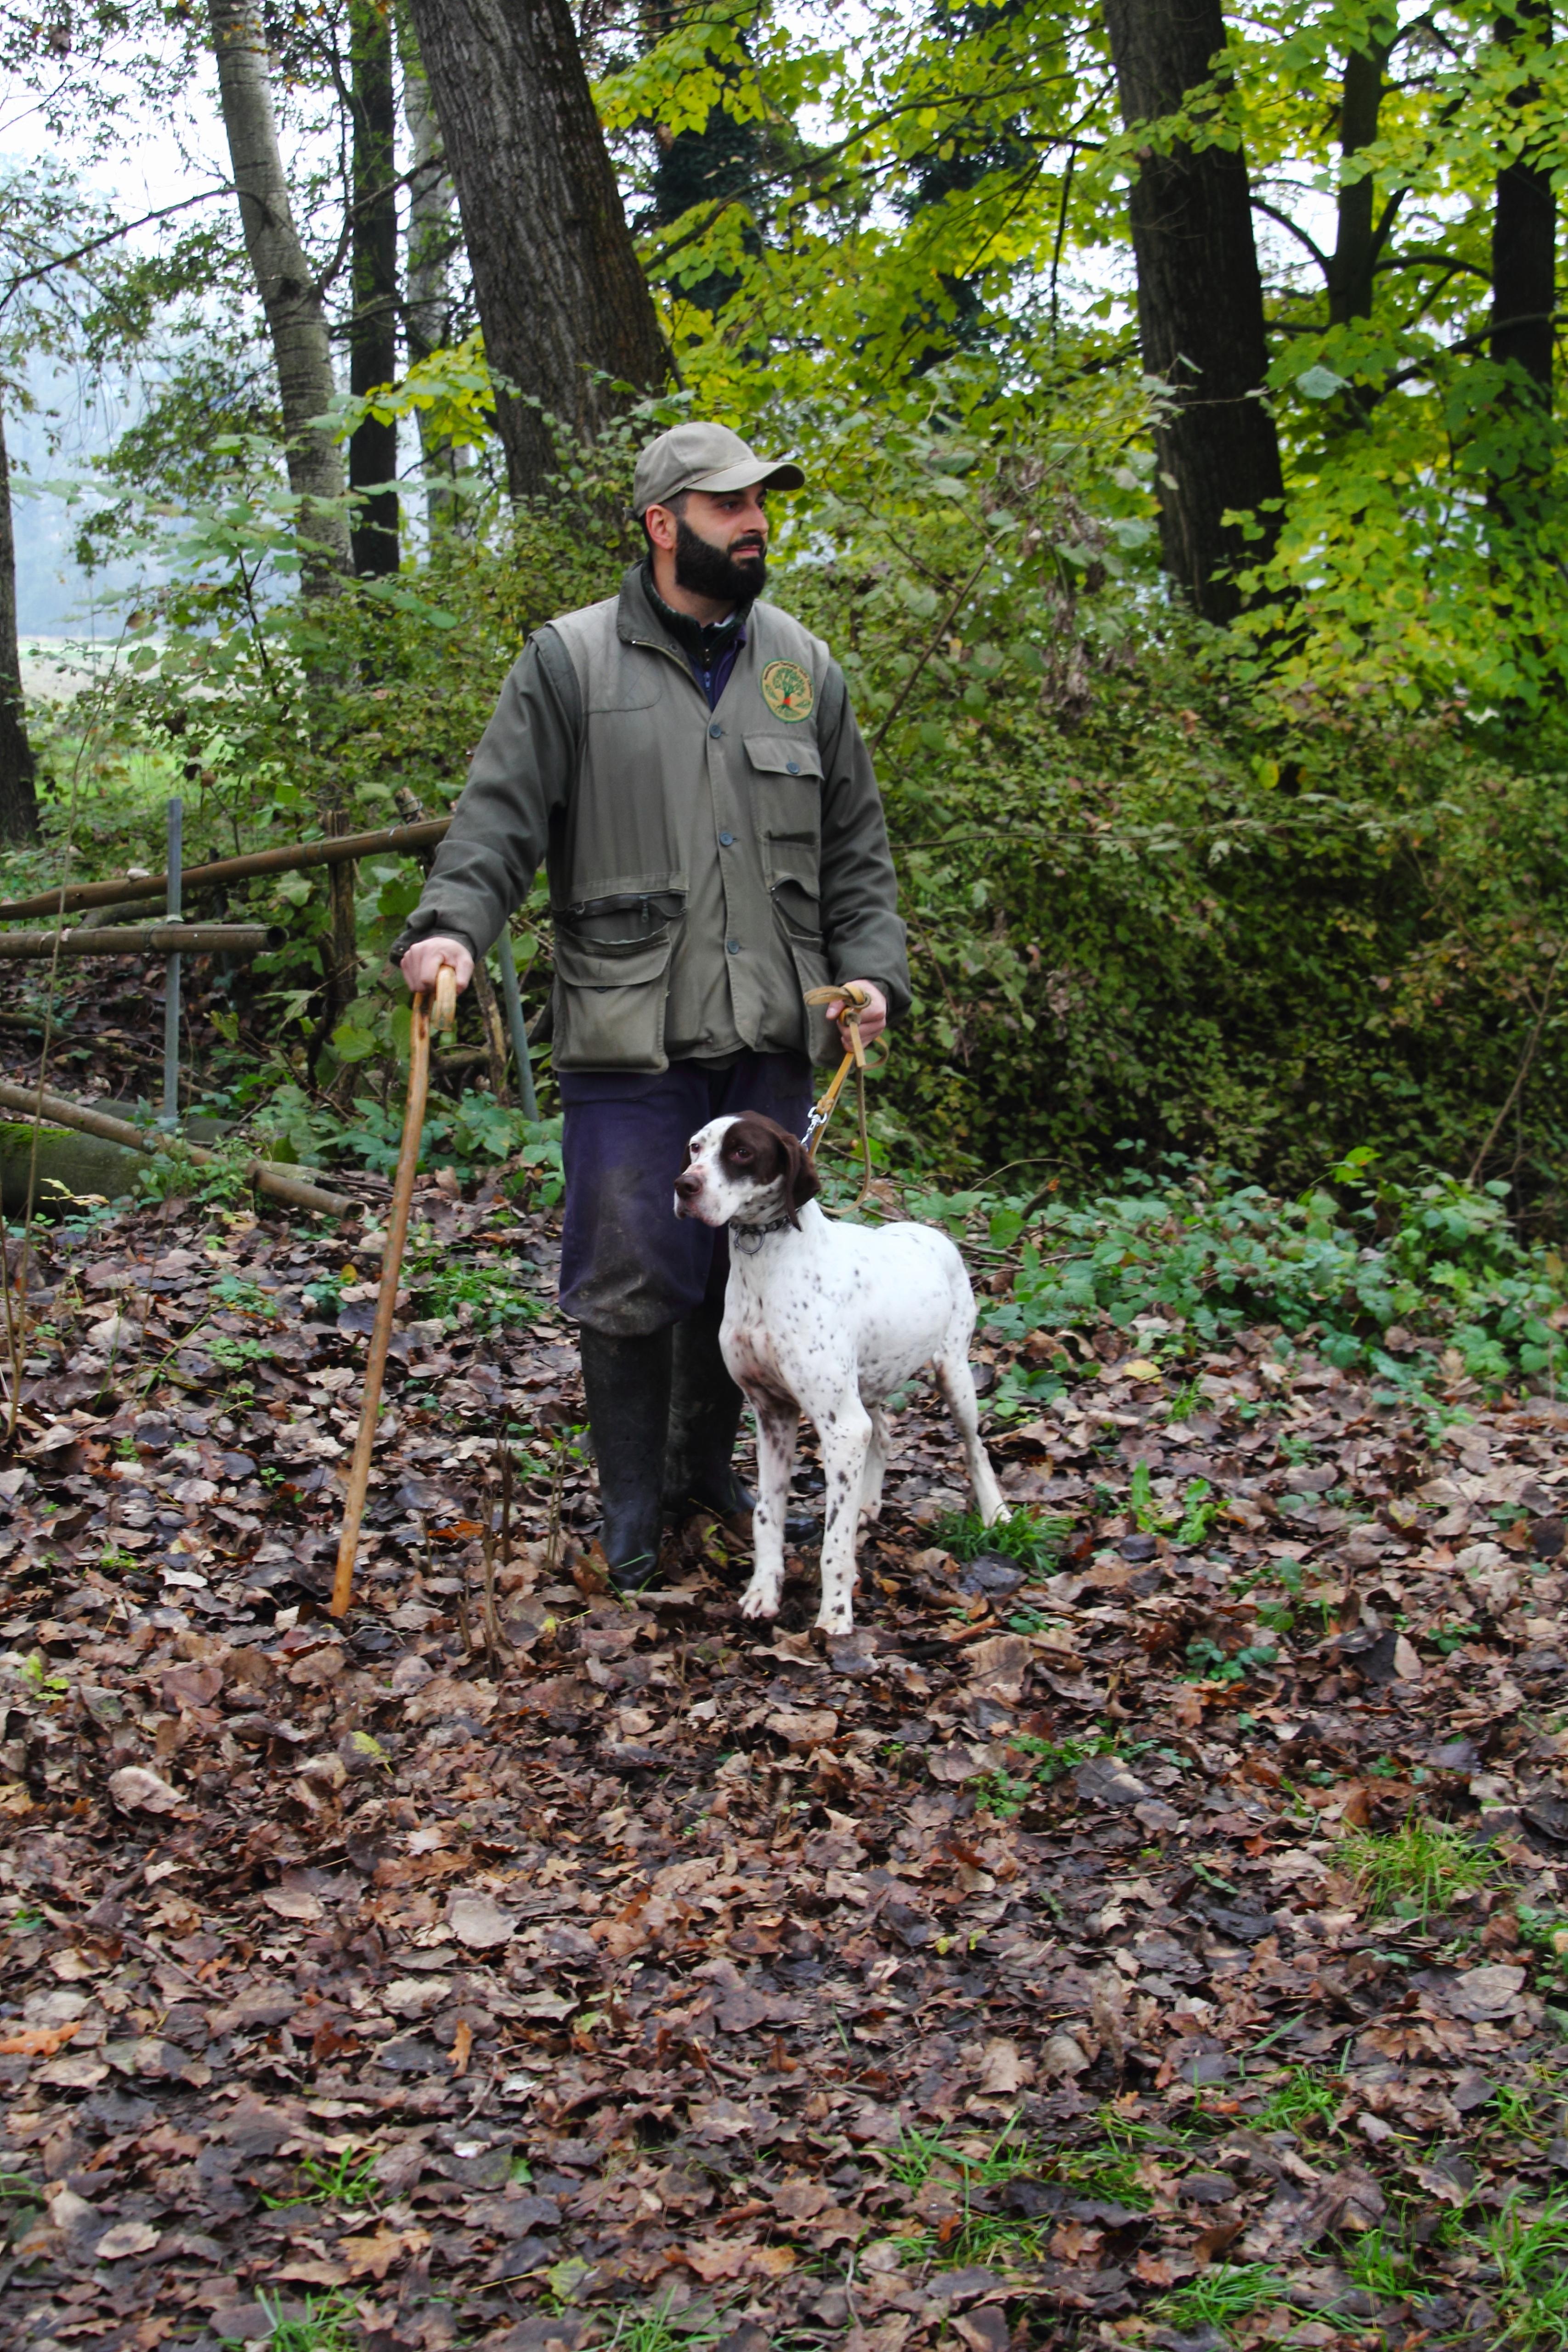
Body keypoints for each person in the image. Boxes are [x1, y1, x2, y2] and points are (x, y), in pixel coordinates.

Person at [396, 419, 909, 1588]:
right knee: (634, 1268)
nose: (757, 520)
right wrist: (447, 933)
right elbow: (495, 824)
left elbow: (858, 856)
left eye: (763, 501)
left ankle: (703, 1472)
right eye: (730, 505)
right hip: (629, 1035)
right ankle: (630, 1510)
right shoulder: (571, 663)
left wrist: (874, 973)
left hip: (775, 1026)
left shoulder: (804, 668)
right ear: (663, 523)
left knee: (754, 1266)